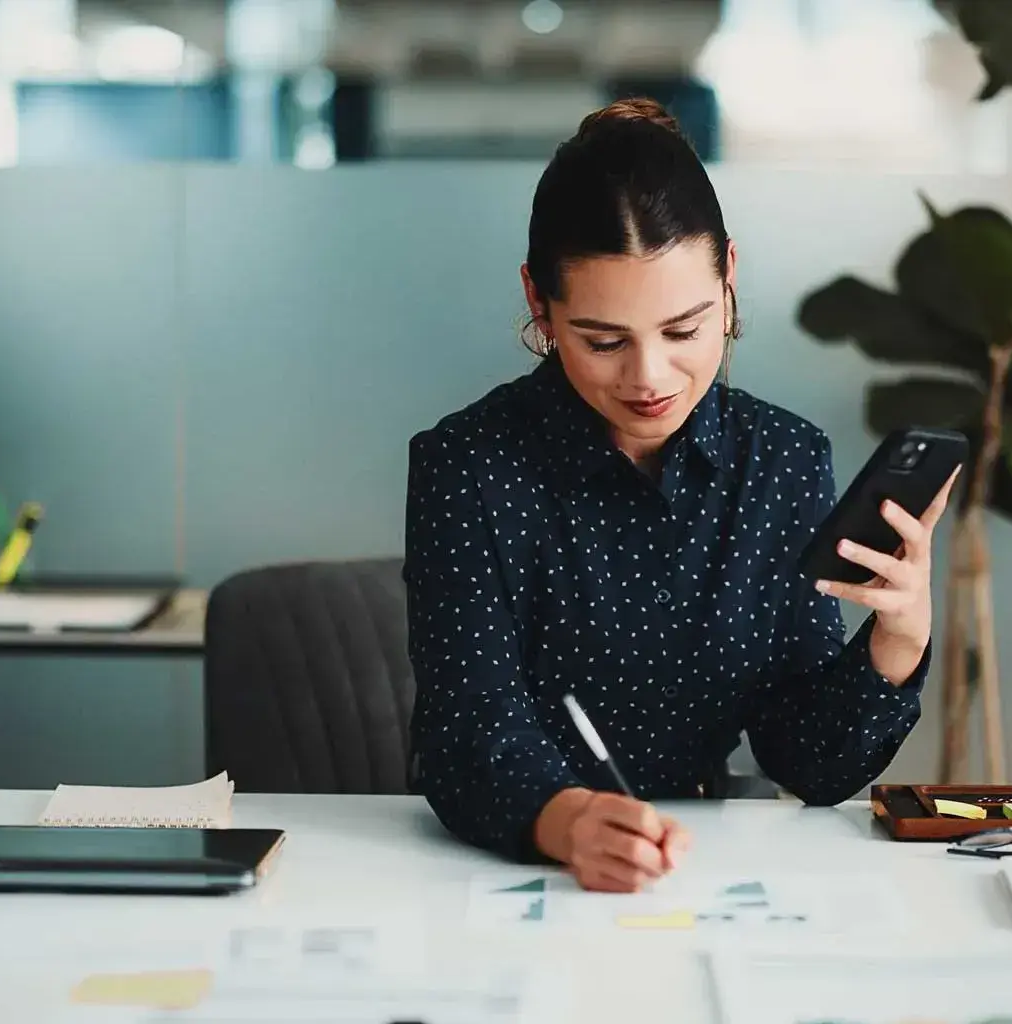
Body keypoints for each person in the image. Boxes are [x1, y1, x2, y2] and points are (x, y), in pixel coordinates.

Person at [403, 98, 954, 893]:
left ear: (729, 279)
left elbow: (808, 762)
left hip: (700, 873)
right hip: (519, 874)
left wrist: (897, 637)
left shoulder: (781, 460)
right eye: (603, 342)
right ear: (539, 304)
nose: (650, 378)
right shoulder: (469, 465)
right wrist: (567, 822)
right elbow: (467, 730)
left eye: (685, 331)